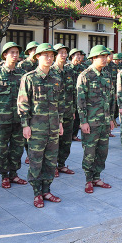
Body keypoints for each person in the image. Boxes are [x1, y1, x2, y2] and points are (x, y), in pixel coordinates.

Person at [17, 43, 64, 208]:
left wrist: (60, 123)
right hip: (36, 128)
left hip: (52, 128)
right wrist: (25, 125)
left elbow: (60, 104)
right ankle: (37, 193)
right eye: (45, 55)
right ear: (37, 57)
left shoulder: (57, 78)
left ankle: (47, 190)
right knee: (36, 161)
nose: (49, 58)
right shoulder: (29, 78)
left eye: (51, 55)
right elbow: (23, 104)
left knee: (51, 161)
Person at [77, 45, 115, 194]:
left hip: (104, 122)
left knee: (102, 152)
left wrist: (111, 118)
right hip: (91, 122)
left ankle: (97, 177)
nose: (105, 59)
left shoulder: (107, 75)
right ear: (93, 58)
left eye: (106, 56)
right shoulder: (85, 76)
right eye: (102, 56)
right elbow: (80, 101)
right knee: (89, 152)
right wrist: (83, 121)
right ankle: (88, 179)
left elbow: (111, 99)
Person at [0, 42, 28, 189]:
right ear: (5, 55)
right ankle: (4, 175)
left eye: (16, 52)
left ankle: (13, 173)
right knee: (1, 149)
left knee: (17, 148)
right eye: (11, 52)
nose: (15, 55)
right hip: (2, 120)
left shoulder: (23, 74)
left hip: (19, 119)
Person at [51, 43, 76, 177]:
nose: (64, 55)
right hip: (55, 113)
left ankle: (61, 164)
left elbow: (72, 92)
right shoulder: (50, 71)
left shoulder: (69, 71)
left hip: (67, 111)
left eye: (65, 52)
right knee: (55, 141)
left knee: (66, 140)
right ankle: (53, 165)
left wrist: (72, 109)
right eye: (61, 52)